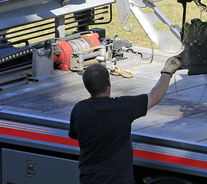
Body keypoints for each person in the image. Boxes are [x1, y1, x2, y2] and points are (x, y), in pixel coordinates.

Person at [69, 56, 184, 184]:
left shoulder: (78, 110)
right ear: (108, 82)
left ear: (86, 86)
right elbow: (155, 96)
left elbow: (74, 135)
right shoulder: (122, 107)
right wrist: (167, 72)